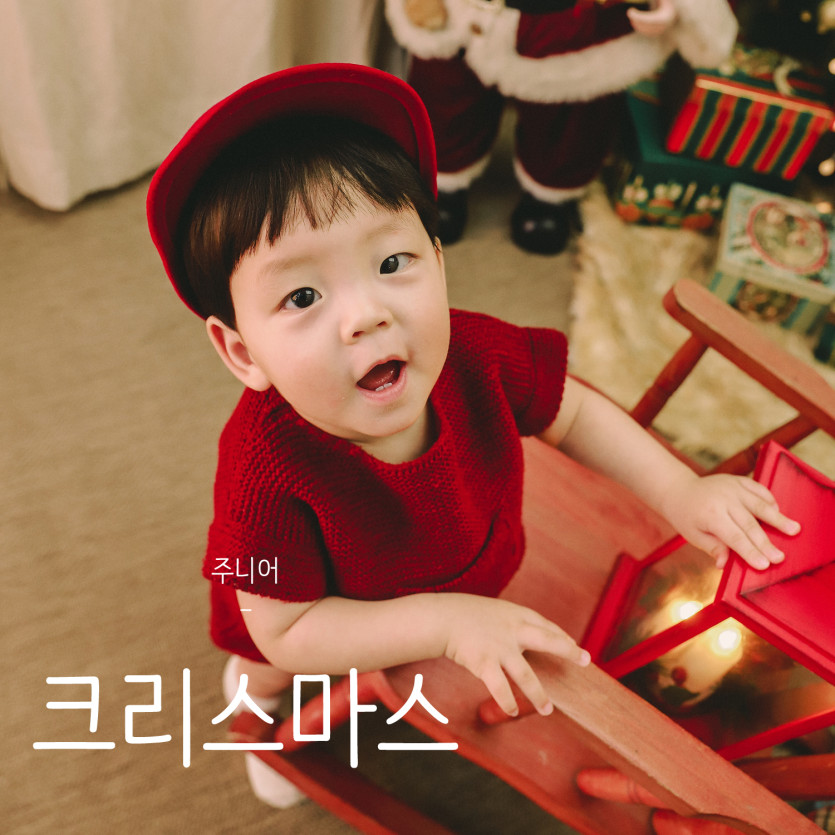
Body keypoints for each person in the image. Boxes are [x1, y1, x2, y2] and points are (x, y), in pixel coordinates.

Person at [147, 63, 799, 807]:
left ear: (438, 259)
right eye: (302, 295)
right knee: (268, 668)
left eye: (391, 262)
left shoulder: (475, 353)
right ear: (242, 353)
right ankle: (259, 717)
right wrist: (447, 623)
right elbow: (287, 628)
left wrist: (681, 489)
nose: (366, 314)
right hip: (316, 607)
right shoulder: (261, 469)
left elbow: (574, 412)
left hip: (472, 556)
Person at [384, 0, 738, 253]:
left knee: (572, 118)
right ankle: (444, 180)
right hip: (455, 13)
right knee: (445, 100)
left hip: (577, 24)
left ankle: (549, 195)